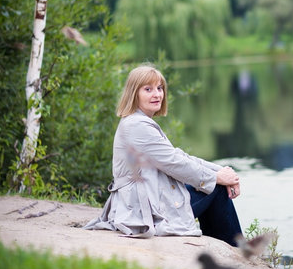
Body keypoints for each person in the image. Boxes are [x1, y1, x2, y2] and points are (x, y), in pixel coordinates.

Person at [84, 64, 243, 246]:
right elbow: (175, 163)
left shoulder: (139, 121)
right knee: (216, 188)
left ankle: (222, 248)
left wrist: (221, 171)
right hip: (144, 210)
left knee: (213, 185)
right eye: (148, 89)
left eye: (159, 88)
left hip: (151, 200)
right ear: (134, 93)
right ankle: (238, 251)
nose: (157, 94)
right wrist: (217, 178)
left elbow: (178, 155)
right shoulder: (137, 126)